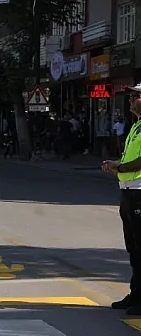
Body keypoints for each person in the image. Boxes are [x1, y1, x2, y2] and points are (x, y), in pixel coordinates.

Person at [103, 83, 141, 315]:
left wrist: (120, 168)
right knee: (133, 249)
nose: (131, 99)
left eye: (136, 96)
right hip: (129, 191)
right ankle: (135, 294)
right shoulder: (136, 126)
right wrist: (118, 165)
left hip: (139, 191)